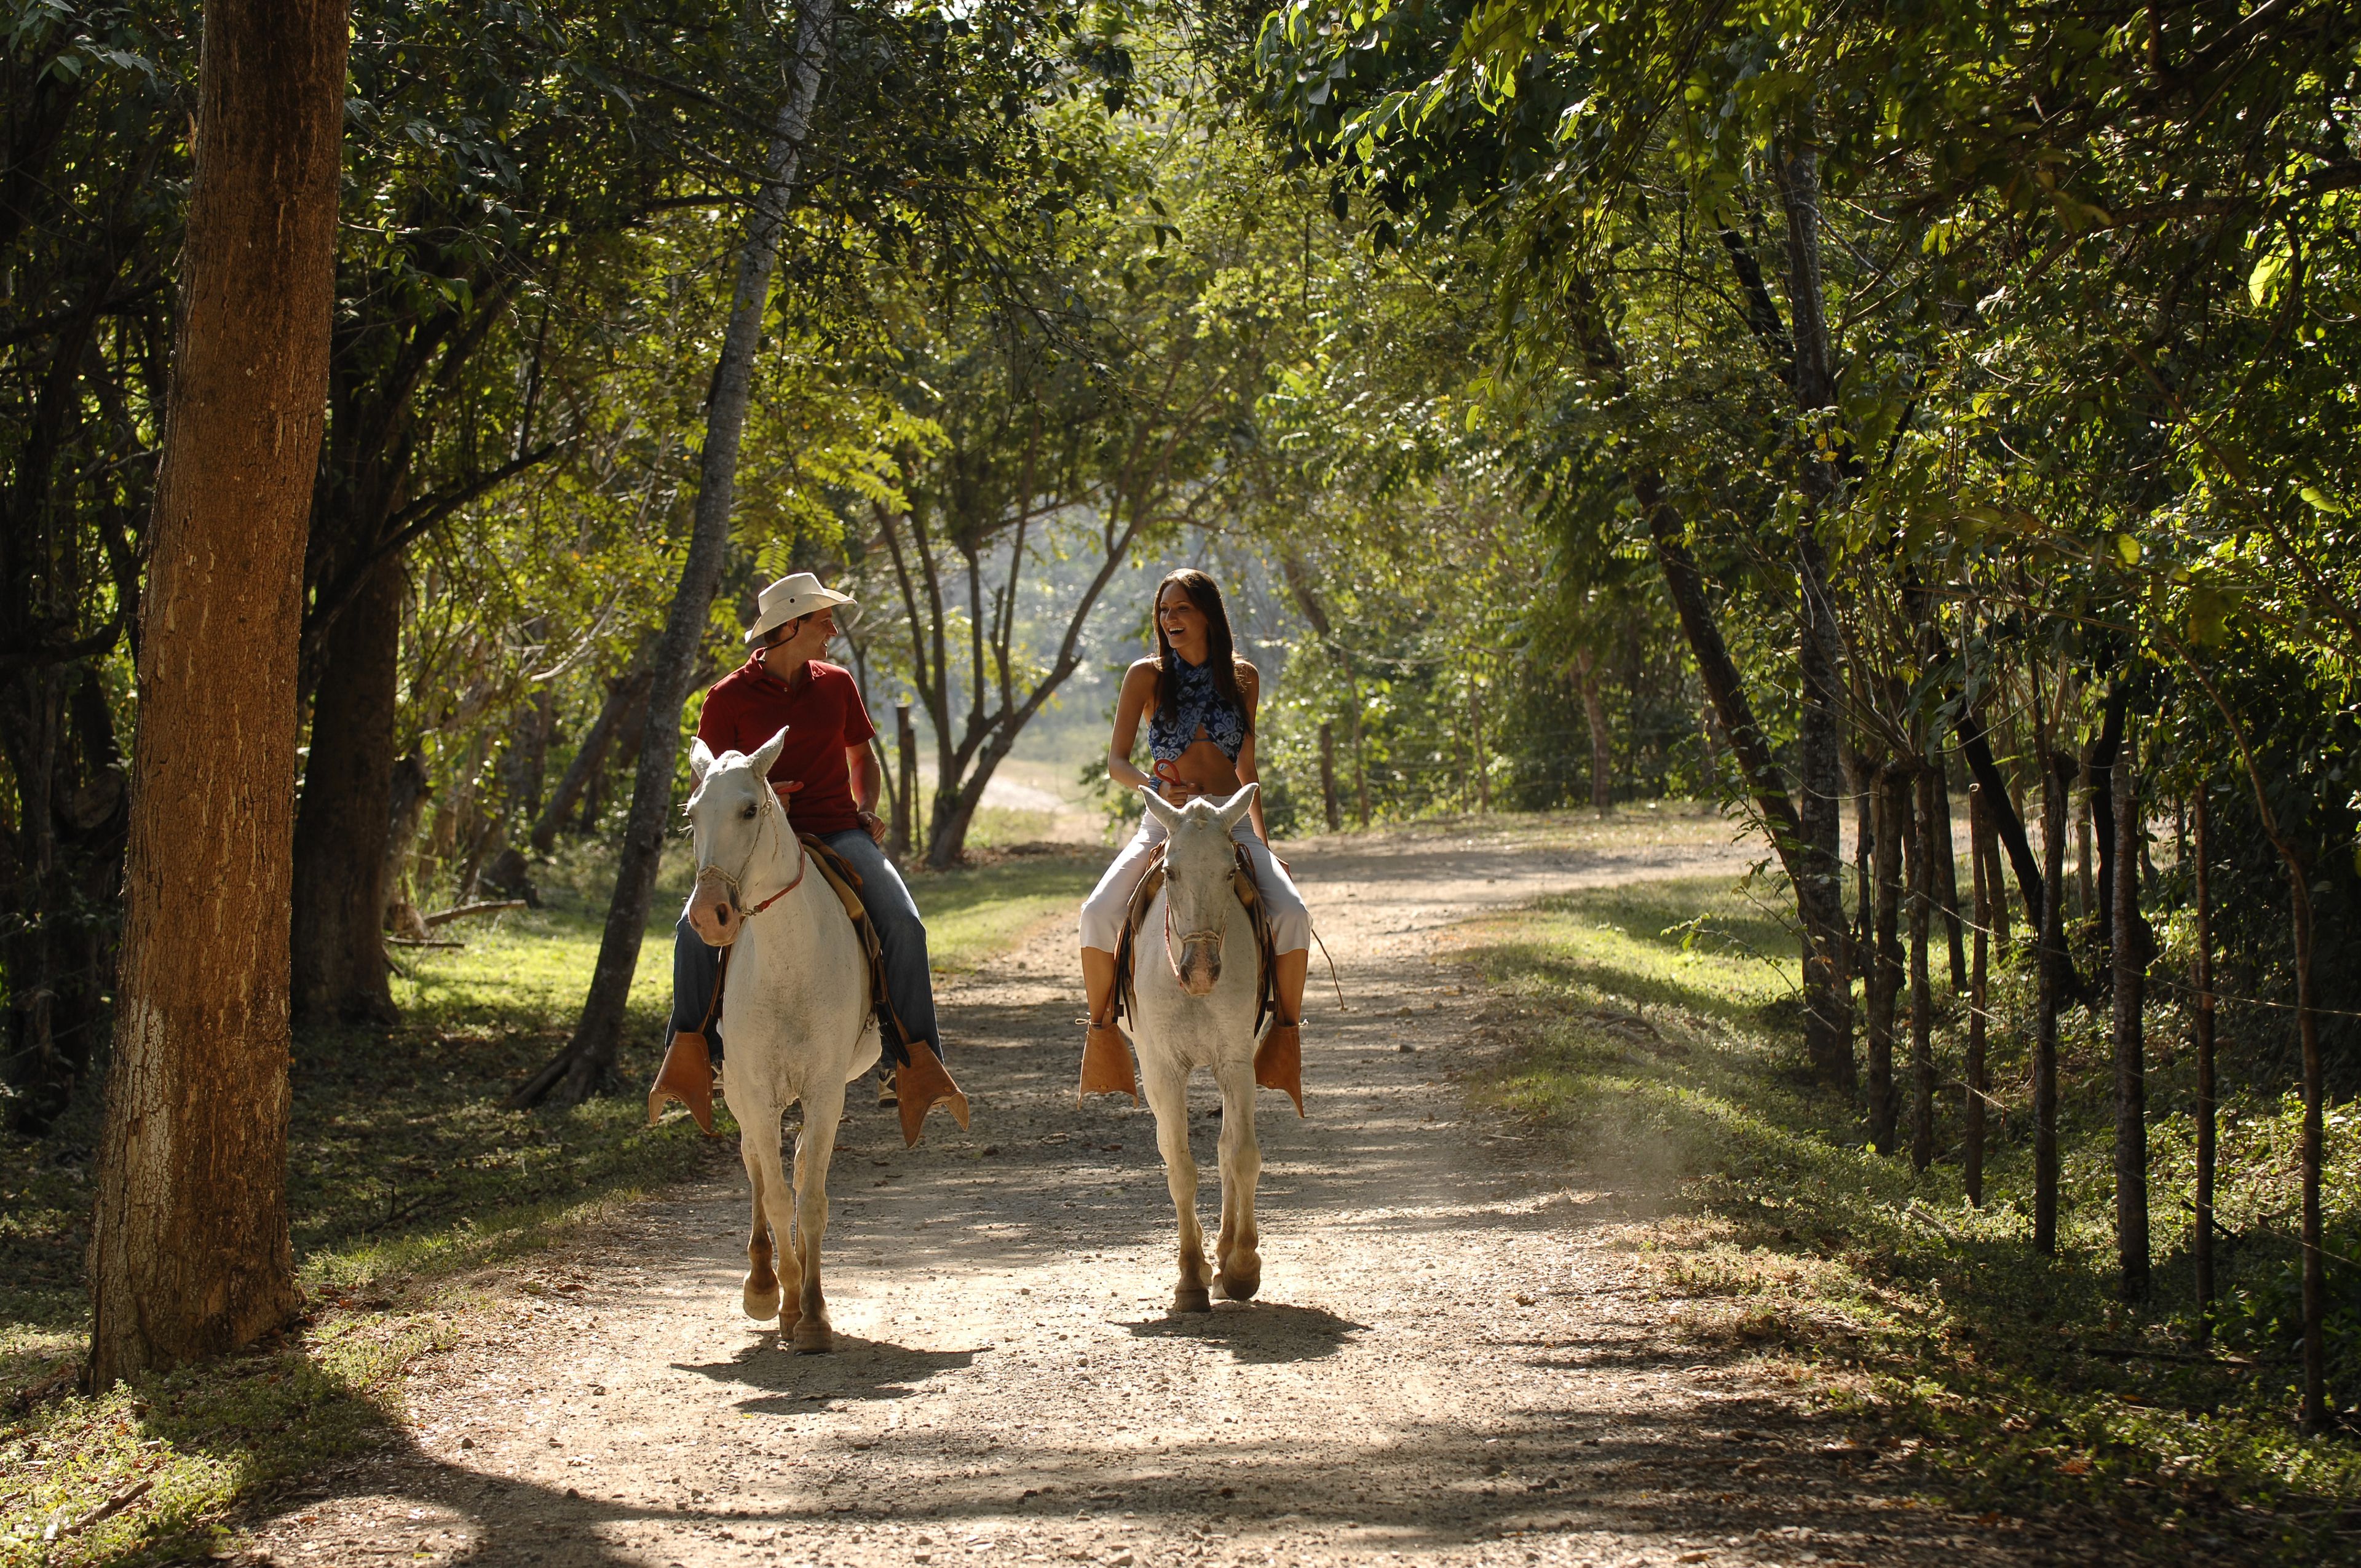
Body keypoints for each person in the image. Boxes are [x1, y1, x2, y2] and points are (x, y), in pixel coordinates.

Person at [649, 571, 943, 1130]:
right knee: (692, 932)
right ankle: (695, 1056)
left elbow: (863, 759)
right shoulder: (727, 697)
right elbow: (706, 787)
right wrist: (763, 800)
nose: (832, 629)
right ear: (789, 627)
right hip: (755, 846)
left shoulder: (837, 684)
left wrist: (867, 806)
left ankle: (909, 1061)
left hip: (836, 832)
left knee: (905, 923)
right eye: (821, 619)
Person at [1077, 569, 1311, 1107]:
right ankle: (1103, 1032)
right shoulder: (1146, 676)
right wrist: (1155, 786)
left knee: (1294, 914)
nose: (1170, 620)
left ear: (1208, 613)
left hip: (1228, 823)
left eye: (1181, 609)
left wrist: (1263, 845)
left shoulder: (1245, 677)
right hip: (1165, 822)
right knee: (1096, 914)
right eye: (1164, 611)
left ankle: (1285, 1034)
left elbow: (1248, 768)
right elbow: (1116, 761)